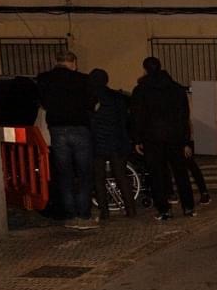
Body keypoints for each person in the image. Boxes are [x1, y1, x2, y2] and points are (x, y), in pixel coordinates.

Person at [37, 51, 97, 230]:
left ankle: (70, 215)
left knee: (64, 174)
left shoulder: (44, 79)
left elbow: (43, 103)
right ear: (73, 62)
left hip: (57, 129)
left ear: (56, 61)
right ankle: (84, 215)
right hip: (80, 128)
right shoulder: (83, 79)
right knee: (84, 173)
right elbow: (92, 103)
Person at [131, 57, 195, 220]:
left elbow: (137, 116)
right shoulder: (176, 89)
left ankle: (164, 209)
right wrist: (186, 140)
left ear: (145, 70)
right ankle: (188, 206)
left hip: (152, 138)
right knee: (180, 173)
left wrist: (137, 139)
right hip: (175, 136)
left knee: (157, 175)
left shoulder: (141, 90)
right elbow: (184, 116)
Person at [88, 69, 136, 220]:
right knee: (121, 176)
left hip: (97, 143)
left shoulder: (89, 98)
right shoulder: (117, 97)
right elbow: (124, 119)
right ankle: (130, 209)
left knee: (99, 178)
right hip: (117, 141)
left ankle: (104, 211)